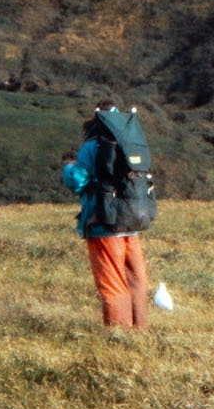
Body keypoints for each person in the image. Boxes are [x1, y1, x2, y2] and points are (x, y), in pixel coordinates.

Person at [62, 101, 150, 331]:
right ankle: (139, 331)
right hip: (131, 220)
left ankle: (118, 337)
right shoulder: (130, 143)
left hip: (103, 221)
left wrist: (69, 168)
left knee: (112, 283)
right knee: (135, 280)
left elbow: (78, 181)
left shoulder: (94, 146)